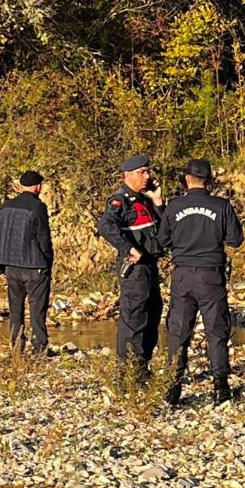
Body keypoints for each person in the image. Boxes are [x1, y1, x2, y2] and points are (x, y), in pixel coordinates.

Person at [157, 158, 244, 408]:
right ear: (209, 180)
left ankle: (173, 389)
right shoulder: (221, 206)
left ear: (187, 179)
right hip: (211, 275)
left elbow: (162, 241)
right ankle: (220, 389)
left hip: (183, 275)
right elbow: (235, 240)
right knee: (216, 332)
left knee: (178, 332)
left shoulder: (174, 207)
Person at [97, 154, 164, 381]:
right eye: (141, 172)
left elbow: (164, 230)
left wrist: (157, 201)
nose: (146, 176)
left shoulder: (144, 199)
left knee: (153, 314)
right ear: (127, 175)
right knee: (134, 318)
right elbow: (105, 225)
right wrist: (129, 249)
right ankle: (128, 372)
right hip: (135, 269)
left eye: (147, 171)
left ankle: (142, 366)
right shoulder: (120, 200)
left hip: (150, 266)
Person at [0, 170, 54, 354]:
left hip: (11, 266)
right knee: (37, 310)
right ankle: (39, 348)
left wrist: (1, 268)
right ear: (39, 186)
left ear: (20, 185)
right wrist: (48, 263)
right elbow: (44, 238)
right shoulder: (38, 207)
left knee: (15, 309)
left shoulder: (6, 207)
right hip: (34, 265)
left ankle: (16, 347)